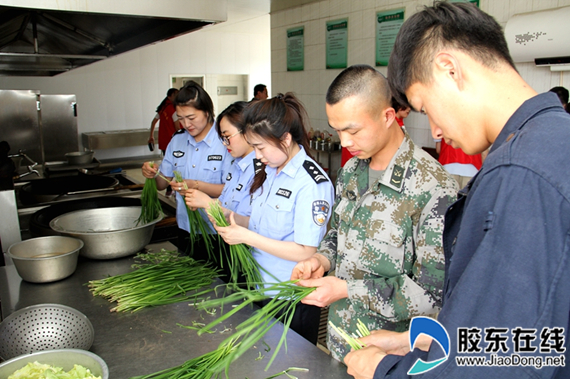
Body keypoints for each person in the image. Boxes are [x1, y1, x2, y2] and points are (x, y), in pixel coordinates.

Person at [344, 2, 570, 378]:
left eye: (425, 106)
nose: (433, 130)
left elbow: (496, 366)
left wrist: (385, 370)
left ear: (450, 69)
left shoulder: (519, 174)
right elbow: (532, 335)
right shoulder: (554, 139)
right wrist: (418, 341)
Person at [290, 64, 458, 362]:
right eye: (337, 130)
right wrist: (321, 259)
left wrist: (347, 289)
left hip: (391, 356)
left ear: (388, 116)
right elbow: (337, 233)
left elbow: (432, 293)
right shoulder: (352, 171)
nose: (344, 142)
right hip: (341, 343)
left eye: (352, 130)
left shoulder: (433, 185)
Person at [212, 93, 335, 344]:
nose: (257, 155)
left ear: (285, 139)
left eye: (260, 147)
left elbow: (305, 251)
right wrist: (232, 218)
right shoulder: (269, 171)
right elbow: (260, 225)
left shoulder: (311, 183)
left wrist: (247, 237)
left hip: (290, 298)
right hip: (261, 288)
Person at [141, 82, 232, 262]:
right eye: (181, 118)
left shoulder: (225, 142)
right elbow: (162, 184)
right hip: (186, 228)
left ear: (206, 111)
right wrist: (153, 174)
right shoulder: (177, 141)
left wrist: (195, 186)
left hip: (218, 230)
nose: (186, 124)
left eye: (191, 117)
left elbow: (232, 190)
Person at [184, 100, 255, 281]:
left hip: (251, 257)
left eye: (227, 136)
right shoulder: (236, 164)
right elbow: (227, 202)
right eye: (221, 138)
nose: (224, 143)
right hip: (230, 251)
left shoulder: (262, 170)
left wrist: (208, 203)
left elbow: (256, 223)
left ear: (248, 131)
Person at [148, 88, 180, 153]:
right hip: (173, 142)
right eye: (175, 95)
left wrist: (151, 136)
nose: (177, 96)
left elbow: (153, 122)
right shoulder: (173, 109)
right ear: (169, 97)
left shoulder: (162, 108)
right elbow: (178, 128)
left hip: (164, 142)